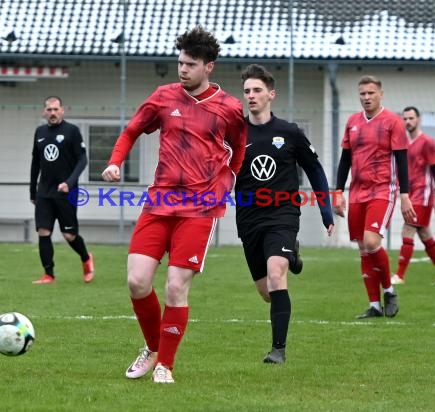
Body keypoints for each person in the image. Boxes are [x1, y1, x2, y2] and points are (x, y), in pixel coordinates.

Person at [101, 26, 246, 384]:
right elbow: (132, 130)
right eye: (180, 62)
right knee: (136, 281)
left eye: (190, 64)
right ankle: (152, 348)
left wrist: (226, 182)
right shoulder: (164, 97)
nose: (182, 69)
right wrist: (116, 160)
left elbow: (239, 150)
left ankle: (165, 364)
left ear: (208, 67)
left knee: (175, 286)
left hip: (200, 208)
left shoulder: (229, 108)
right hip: (160, 201)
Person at [236, 64, 334, 364]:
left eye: (257, 90)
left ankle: (278, 350)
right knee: (267, 291)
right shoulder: (236, 133)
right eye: (247, 91)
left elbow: (315, 169)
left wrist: (326, 211)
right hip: (249, 219)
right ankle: (292, 255)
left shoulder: (289, 133)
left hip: (283, 214)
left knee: (277, 275)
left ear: (271, 94)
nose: (251, 96)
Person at [334, 75, 416, 319]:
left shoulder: (393, 122)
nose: (366, 97)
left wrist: (405, 195)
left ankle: (389, 291)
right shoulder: (352, 122)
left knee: (371, 242)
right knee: (362, 248)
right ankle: (374, 305)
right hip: (357, 191)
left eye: (371, 93)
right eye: (362, 94)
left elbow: (402, 161)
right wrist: (338, 192)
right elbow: (345, 160)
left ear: (381, 94)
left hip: (383, 190)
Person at [29, 96, 94, 284]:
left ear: (62, 110)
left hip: (67, 192)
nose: (52, 113)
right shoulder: (40, 132)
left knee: (69, 235)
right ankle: (49, 274)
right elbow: (35, 162)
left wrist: (69, 182)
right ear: (44, 112)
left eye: (56, 109)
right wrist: (32, 190)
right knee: (43, 231)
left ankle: (86, 258)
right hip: (44, 192)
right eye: (49, 110)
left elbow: (83, 160)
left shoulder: (72, 131)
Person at [391, 107, 435, 285]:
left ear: (418, 119)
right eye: (405, 119)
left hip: (424, 194)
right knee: (425, 234)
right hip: (410, 195)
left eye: (411, 118)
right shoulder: (403, 142)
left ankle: (399, 276)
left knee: (407, 229)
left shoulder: (428, 142)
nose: (408, 121)